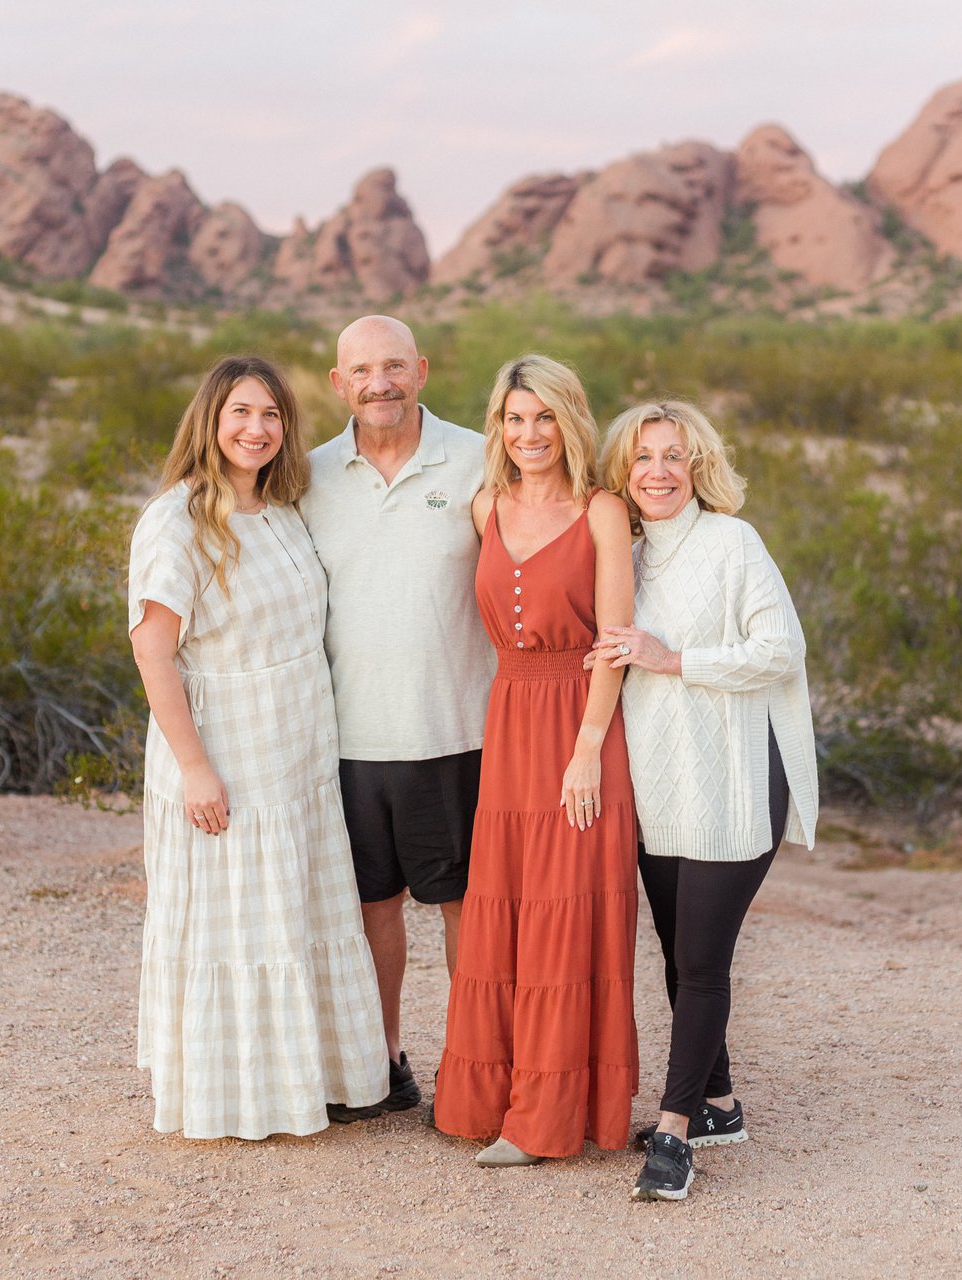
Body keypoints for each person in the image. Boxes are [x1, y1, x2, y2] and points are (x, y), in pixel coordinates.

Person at [127, 355, 388, 1140]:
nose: (257, 428)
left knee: (294, 911)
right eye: (240, 412)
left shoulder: (281, 509)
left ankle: (313, 1081)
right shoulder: (177, 520)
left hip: (296, 748)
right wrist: (194, 769)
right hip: (226, 749)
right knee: (236, 920)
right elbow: (152, 650)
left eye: (271, 414)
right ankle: (236, 1096)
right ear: (210, 420)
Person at [590, 400, 819, 1202]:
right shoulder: (624, 557)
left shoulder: (732, 543)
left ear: (698, 467)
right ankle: (717, 1104)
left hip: (736, 780)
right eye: (642, 456)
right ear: (622, 470)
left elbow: (781, 649)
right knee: (676, 951)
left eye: (674, 456)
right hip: (658, 783)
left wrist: (672, 658)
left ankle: (675, 1132)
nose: (657, 471)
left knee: (702, 961)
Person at [433, 354, 638, 1167]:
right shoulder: (485, 506)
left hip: (581, 726)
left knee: (564, 915)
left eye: (545, 417)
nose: (530, 434)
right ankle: (492, 1101)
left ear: (570, 420)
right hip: (509, 721)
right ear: (499, 427)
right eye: (515, 419)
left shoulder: (603, 512)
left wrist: (587, 749)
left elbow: (614, 643)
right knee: (507, 909)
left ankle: (546, 1119)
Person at [299, 316, 495, 1118]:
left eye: (393, 366)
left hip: (455, 730)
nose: (378, 383)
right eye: (361, 371)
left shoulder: (479, 458)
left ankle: (475, 1067)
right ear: (338, 384)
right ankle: (381, 1063)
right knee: (369, 909)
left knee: (463, 909)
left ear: (421, 369)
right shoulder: (308, 476)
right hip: (348, 741)